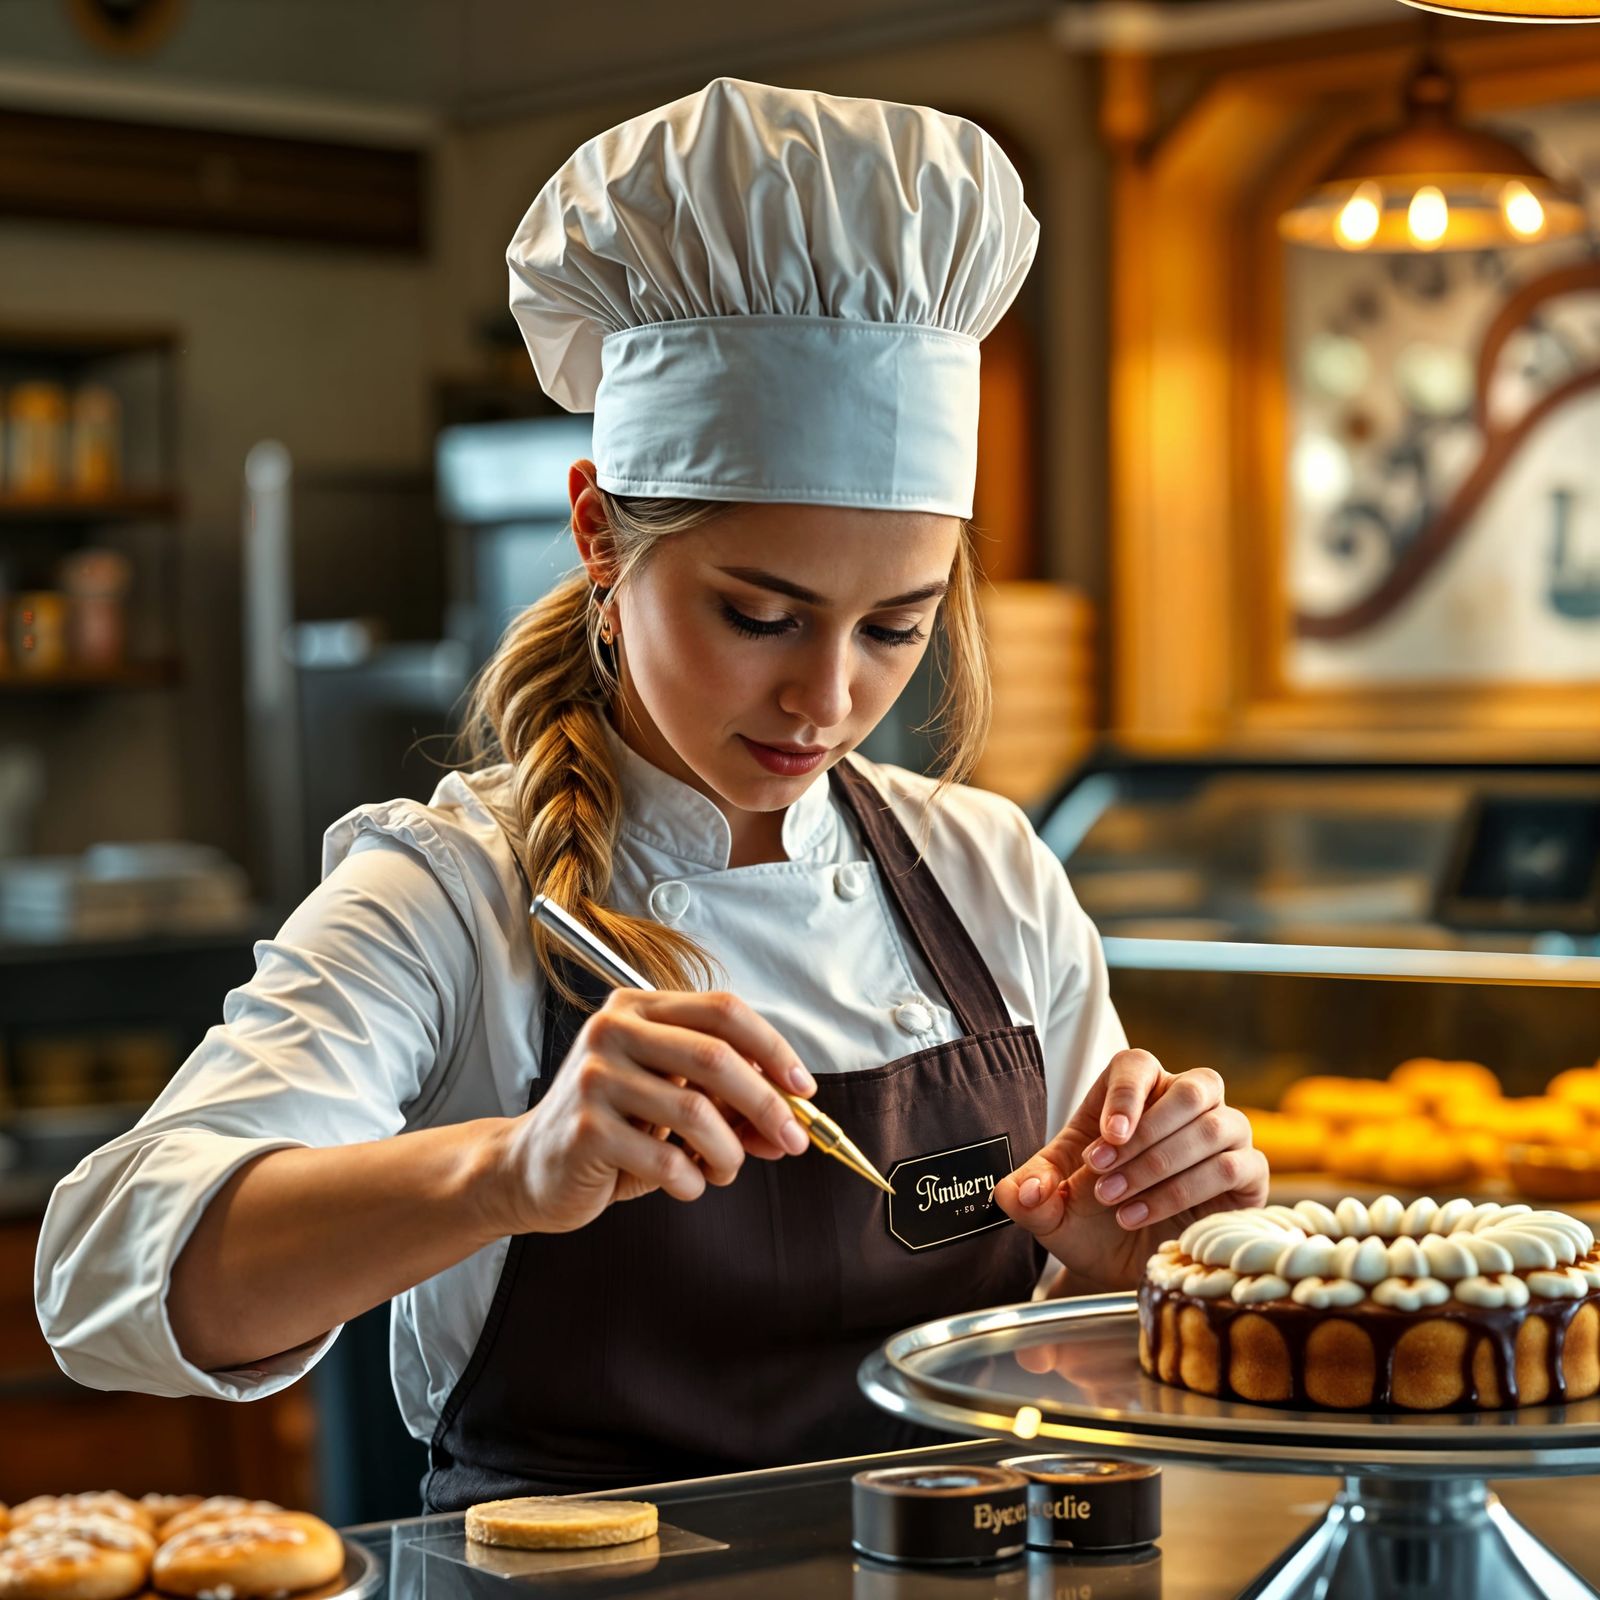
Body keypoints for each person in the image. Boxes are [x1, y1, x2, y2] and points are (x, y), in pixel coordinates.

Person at [35, 78, 1266, 1509]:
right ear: (599, 539)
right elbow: (107, 1281)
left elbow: (1075, 1362)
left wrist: (1112, 1272)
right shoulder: (448, 895)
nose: (827, 701)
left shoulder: (987, 872)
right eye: (760, 615)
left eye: (895, 628)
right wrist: (510, 1168)